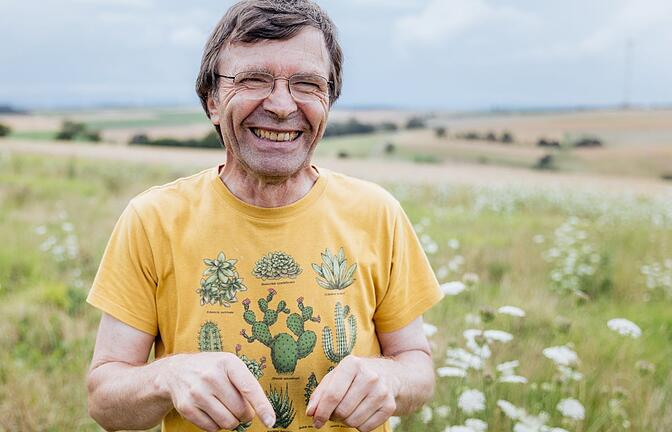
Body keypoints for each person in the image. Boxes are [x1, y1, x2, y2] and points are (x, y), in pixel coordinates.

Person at [85, 1, 444, 431]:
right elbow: (105, 400)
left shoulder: (377, 213)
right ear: (213, 101)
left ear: (329, 101)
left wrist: (389, 378)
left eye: (307, 84)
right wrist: (168, 376)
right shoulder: (153, 220)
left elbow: (416, 368)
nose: (280, 105)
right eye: (254, 79)